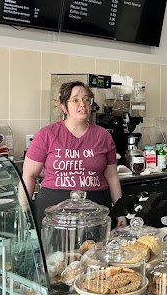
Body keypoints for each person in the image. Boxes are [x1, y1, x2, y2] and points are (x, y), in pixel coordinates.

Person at [22, 80, 126, 231]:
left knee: (95, 247)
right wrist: (24, 213)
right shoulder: (46, 134)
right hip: (53, 215)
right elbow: (29, 176)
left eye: (86, 100)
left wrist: (120, 212)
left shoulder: (103, 136)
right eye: (76, 100)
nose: (83, 104)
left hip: (96, 214)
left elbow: (112, 176)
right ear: (64, 106)